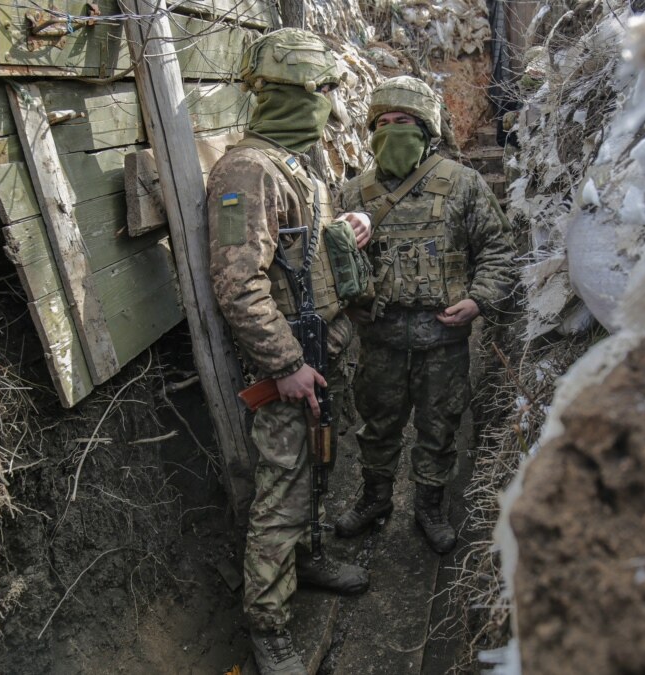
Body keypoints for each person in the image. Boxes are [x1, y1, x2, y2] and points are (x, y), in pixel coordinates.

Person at [207, 28, 374, 675]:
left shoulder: (295, 162)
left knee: (321, 470)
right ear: (287, 94)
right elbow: (238, 282)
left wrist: (344, 232)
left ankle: (310, 559)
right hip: (289, 359)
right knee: (282, 491)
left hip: (323, 347)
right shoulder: (246, 170)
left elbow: (297, 252)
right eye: (321, 91)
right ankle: (268, 627)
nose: (328, 104)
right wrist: (285, 363)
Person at [334, 76, 517, 554]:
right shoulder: (354, 194)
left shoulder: (463, 184)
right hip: (380, 339)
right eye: (385, 124)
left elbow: (499, 250)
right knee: (376, 426)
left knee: (439, 427)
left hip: (443, 339)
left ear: (426, 129)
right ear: (372, 131)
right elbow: (331, 266)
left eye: (405, 123)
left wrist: (478, 299)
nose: (393, 132)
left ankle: (429, 507)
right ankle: (375, 499)